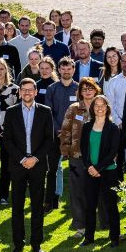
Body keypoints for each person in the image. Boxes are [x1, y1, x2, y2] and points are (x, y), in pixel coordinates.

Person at [3, 78, 55, 252]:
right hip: (18, 166)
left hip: (38, 165)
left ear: (35, 92)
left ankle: (36, 244)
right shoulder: (11, 112)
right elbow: (7, 140)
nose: (26, 93)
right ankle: (18, 244)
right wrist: (22, 159)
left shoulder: (45, 111)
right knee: (17, 206)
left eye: (30, 90)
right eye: (23, 90)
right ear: (19, 92)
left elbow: (50, 139)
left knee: (37, 207)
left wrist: (35, 158)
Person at [59, 77, 100, 238]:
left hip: (98, 157)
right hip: (77, 155)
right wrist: (65, 150)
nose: (88, 91)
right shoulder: (74, 109)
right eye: (84, 89)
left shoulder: (101, 106)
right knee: (77, 192)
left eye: (91, 88)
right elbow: (65, 130)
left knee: (99, 192)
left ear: (96, 90)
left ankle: (101, 225)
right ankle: (80, 226)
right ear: (80, 92)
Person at [80, 95, 121, 247]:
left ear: (107, 107)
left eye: (102, 105)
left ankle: (115, 237)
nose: (99, 108)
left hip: (108, 171)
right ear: (92, 108)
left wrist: (98, 168)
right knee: (90, 205)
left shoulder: (113, 128)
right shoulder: (86, 126)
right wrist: (90, 166)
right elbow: (83, 149)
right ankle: (89, 237)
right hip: (90, 172)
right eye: (96, 105)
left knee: (111, 205)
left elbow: (113, 151)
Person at [44, 57, 78, 211]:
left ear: (73, 70)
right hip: (55, 134)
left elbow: (81, 113)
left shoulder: (79, 89)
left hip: (74, 135)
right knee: (53, 168)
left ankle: (76, 202)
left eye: (69, 68)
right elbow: (48, 112)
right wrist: (60, 131)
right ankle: (51, 199)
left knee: (76, 169)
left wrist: (69, 131)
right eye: (63, 69)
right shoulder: (52, 89)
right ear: (58, 70)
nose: (66, 71)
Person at [0, 58, 19, 211]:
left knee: (7, 165)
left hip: (8, 133)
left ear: (6, 71)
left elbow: (18, 112)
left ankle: (2, 195)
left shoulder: (14, 89)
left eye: (2, 69)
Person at [105, 52, 126, 125]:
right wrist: (118, 122)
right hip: (117, 124)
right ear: (120, 62)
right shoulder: (113, 81)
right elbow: (109, 104)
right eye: (124, 62)